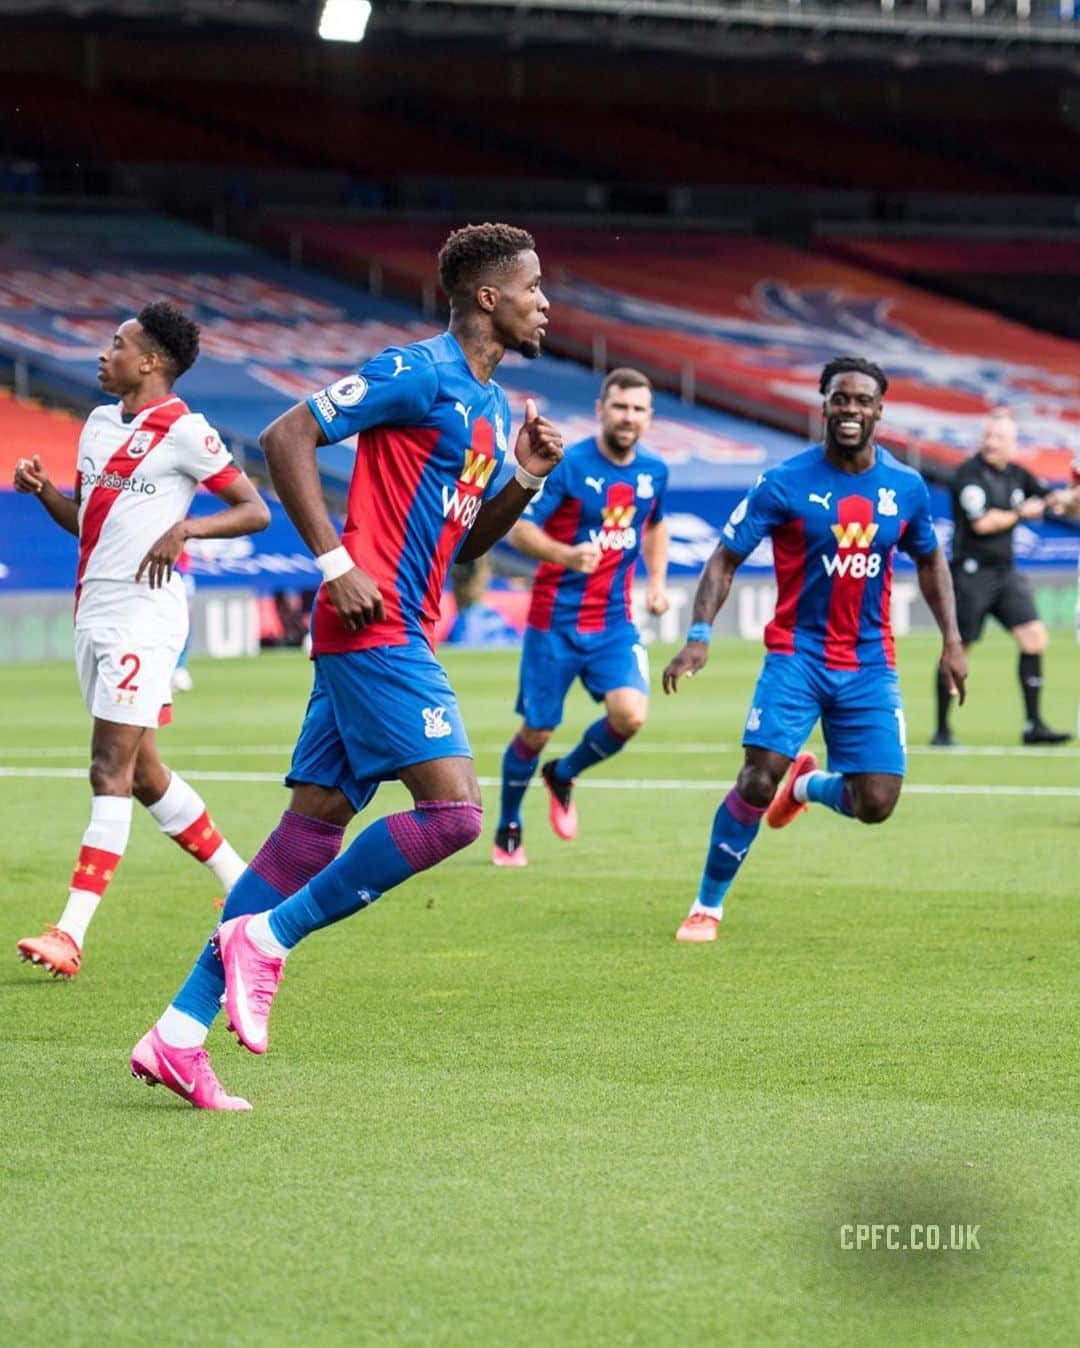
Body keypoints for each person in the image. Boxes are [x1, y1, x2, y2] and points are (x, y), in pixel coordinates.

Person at [130, 222, 562, 1110]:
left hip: (400, 626)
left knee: (309, 832)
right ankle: (273, 938)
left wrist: (521, 477)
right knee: (453, 815)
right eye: (532, 288)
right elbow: (287, 435)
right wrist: (336, 561)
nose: (545, 303)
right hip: (376, 624)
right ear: (488, 297)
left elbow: (467, 542)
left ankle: (177, 1034)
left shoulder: (484, 409)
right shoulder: (416, 371)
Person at [662, 356, 966, 944]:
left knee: (875, 801)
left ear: (880, 410)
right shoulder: (783, 483)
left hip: (870, 662)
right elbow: (724, 558)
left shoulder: (905, 487)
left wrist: (952, 640)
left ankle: (804, 787)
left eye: (863, 401)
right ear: (823, 403)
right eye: (841, 399)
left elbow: (930, 559)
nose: (851, 410)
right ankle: (708, 905)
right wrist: (699, 636)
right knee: (756, 778)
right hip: (796, 655)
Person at [14, 301, 270, 979]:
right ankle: (247, 887)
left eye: (117, 344)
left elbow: (255, 510)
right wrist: (44, 493)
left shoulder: (188, 432)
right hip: (93, 610)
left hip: (146, 616)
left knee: (109, 769)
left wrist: (188, 529)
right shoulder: (97, 424)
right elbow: (87, 524)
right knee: (147, 771)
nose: (104, 354)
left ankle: (70, 933)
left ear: (151, 362)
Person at [492, 368, 669, 866]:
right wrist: (567, 555)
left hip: (614, 621)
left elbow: (655, 525)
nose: (628, 417)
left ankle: (563, 774)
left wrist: (656, 583)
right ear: (600, 410)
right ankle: (508, 824)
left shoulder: (654, 471)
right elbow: (518, 529)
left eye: (638, 409)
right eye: (620, 407)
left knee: (630, 714)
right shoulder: (568, 466)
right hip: (555, 623)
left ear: (649, 417)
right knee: (536, 731)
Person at [933, 407, 1071, 746]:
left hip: (1005, 573)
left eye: (999, 438)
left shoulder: (1017, 474)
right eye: (988, 436)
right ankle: (942, 730)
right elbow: (983, 523)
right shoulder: (968, 475)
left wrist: (1070, 498)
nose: (992, 443)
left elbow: (1050, 502)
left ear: (1012, 444)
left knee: (1034, 639)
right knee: (959, 650)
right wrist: (1021, 512)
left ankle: (1033, 725)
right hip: (970, 574)